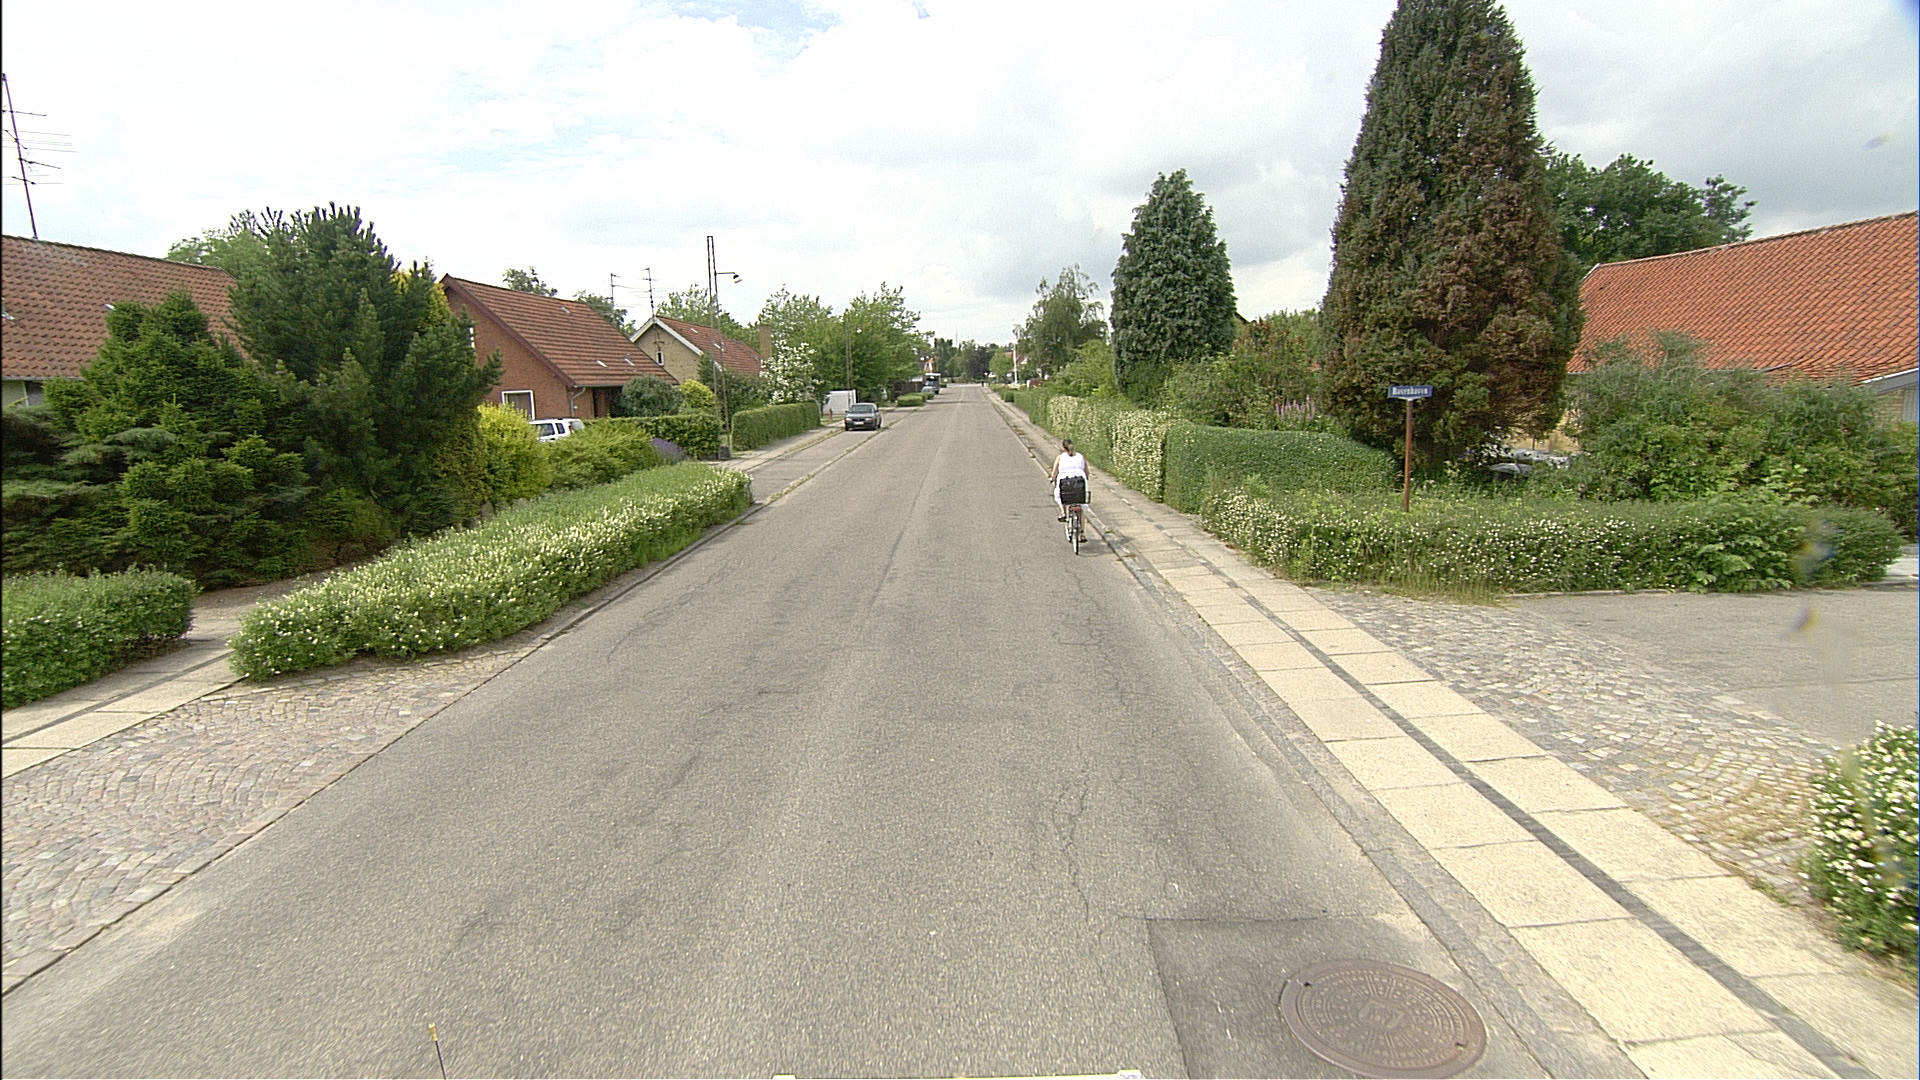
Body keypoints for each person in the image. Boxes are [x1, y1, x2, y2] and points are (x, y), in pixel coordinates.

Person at [1049, 438, 1088, 522]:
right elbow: (1086, 471)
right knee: (1081, 504)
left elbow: (1054, 472)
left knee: (1059, 494)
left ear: (1063, 448)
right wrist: (1086, 479)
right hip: (1079, 482)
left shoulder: (1060, 457)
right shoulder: (1081, 456)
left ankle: (1063, 512)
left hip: (1065, 481)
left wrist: (1052, 478)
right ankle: (1081, 528)